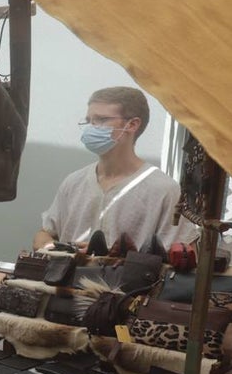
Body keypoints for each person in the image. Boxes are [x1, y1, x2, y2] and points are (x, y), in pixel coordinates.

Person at [34, 86, 196, 253]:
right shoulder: (73, 182)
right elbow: (45, 233)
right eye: (89, 121)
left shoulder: (164, 190)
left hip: (128, 279)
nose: (91, 127)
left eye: (101, 119)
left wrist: (111, 255)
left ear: (132, 124)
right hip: (67, 278)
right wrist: (52, 247)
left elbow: (181, 254)